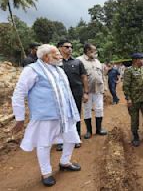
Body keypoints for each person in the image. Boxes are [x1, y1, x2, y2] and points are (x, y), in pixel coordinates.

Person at [12, 44, 81, 187]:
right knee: (44, 144)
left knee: (71, 138)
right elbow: (19, 93)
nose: (60, 56)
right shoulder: (31, 70)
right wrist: (19, 117)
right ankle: (46, 172)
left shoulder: (59, 70)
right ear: (46, 57)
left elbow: (66, 91)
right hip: (45, 115)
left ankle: (65, 162)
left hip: (65, 113)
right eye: (56, 54)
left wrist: (72, 109)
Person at [56, 40, 89, 150]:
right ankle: (61, 141)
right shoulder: (55, 63)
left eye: (71, 47)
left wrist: (86, 92)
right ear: (60, 48)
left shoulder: (77, 62)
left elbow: (84, 77)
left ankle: (76, 138)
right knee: (61, 117)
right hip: (60, 95)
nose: (70, 49)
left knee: (76, 116)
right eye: (67, 47)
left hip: (76, 92)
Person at [77, 43, 107, 139]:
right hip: (87, 91)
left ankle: (99, 129)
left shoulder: (97, 61)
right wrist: (82, 91)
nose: (96, 52)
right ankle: (89, 131)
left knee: (99, 108)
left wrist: (104, 87)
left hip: (98, 89)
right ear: (88, 51)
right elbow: (78, 77)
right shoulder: (79, 61)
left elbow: (102, 75)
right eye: (94, 50)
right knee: (87, 110)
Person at [123, 53, 143, 147]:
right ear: (136, 60)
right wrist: (128, 98)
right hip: (134, 99)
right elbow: (126, 86)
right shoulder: (129, 71)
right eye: (142, 59)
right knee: (134, 119)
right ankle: (135, 137)